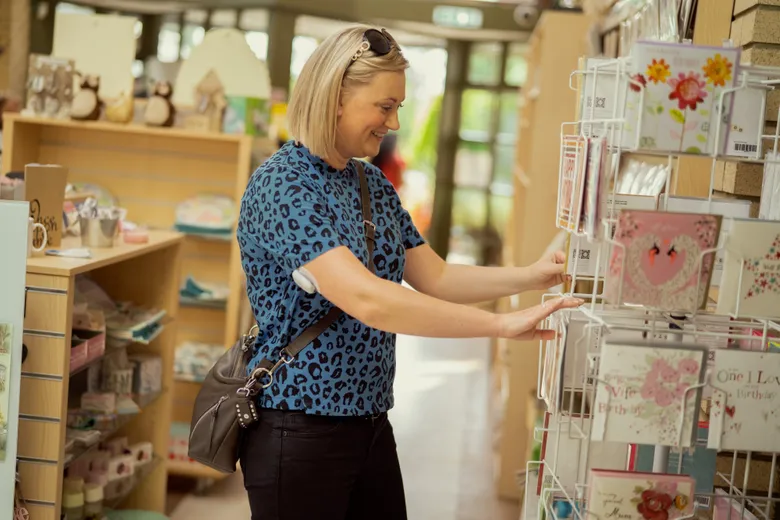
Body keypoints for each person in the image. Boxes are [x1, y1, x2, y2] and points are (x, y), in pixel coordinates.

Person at [236, 25, 582, 520]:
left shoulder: (369, 182)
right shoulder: (284, 186)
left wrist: (530, 277)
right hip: (299, 428)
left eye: (398, 106)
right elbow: (370, 300)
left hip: (370, 423)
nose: (394, 122)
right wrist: (500, 326)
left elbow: (435, 276)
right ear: (336, 95)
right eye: (384, 106)